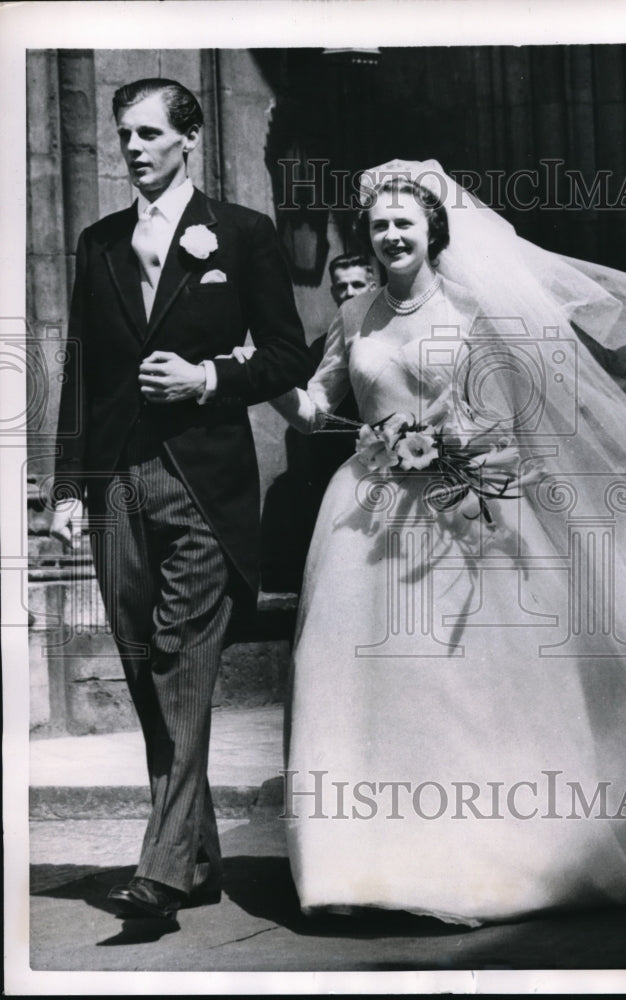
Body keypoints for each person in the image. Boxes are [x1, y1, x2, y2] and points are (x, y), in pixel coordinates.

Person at [238, 159, 626, 925]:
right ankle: (367, 862)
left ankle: (492, 853)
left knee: (466, 679)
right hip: (366, 517)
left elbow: (518, 422)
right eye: (378, 226)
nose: (389, 236)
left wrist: (456, 448)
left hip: (465, 505)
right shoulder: (356, 317)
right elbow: (316, 412)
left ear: (433, 231)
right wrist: (259, 371)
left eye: (404, 223)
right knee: (358, 679)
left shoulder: (478, 311)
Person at [49, 78, 312, 921]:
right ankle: (196, 857)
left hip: (205, 479)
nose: (132, 148)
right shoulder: (97, 242)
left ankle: (160, 870)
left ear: (188, 140)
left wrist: (208, 378)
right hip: (118, 482)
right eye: (124, 134)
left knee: (180, 657)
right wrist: (66, 488)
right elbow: (81, 371)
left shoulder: (242, 235)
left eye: (150, 134)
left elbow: (285, 357)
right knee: (139, 660)